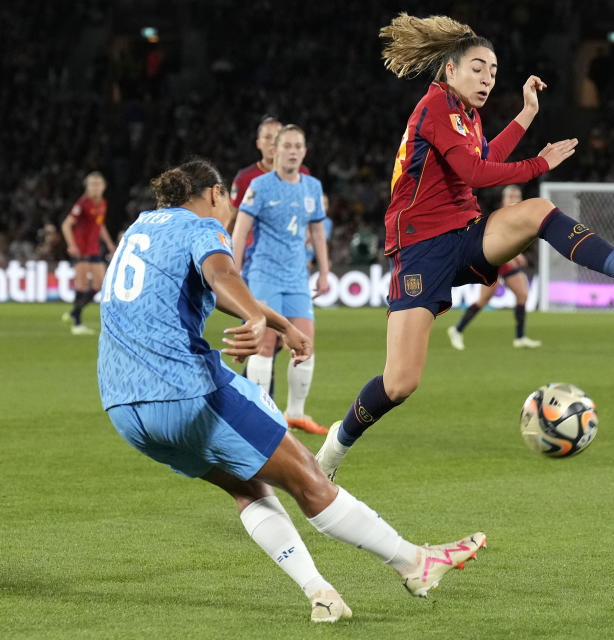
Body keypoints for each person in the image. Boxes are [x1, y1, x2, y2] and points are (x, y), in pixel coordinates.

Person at [97, 159, 485, 624]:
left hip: (123, 407)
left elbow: (207, 287)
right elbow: (222, 276)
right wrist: (257, 319)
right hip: (184, 391)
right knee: (308, 477)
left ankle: (321, 593)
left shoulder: (139, 230)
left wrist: (277, 324)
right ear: (216, 195)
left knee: (248, 486)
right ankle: (413, 563)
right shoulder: (201, 226)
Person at [314, 14, 614, 480]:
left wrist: (527, 114)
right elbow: (475, 174)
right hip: (421, 249)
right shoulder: (434, 108)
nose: (488, 78)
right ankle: (332, 451)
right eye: (478, 68)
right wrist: (539, 163)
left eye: (493, 71)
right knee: (400, 382)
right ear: (450, 70)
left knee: (535, 212)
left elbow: (485, 159)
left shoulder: (465, 116)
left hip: (464, 235)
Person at [232, 125, 330, 436]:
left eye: (297, 146)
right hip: (263, 274)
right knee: (265, 342)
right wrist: (233, 271)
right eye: (286, 145)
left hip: (297, 276)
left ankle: (295, 414)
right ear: (276, 149)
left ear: (304, 151)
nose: (292, 151)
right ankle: (258, 413)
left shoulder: (312, 186)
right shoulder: (259, 186)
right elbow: (240, 231)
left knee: (304, 343)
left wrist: (325, 271)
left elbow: (316, 231)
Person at [229, 116, 312, 400]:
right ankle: (253, 401)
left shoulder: (302, 176)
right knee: (264, 340)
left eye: (278, 137)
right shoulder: (246, 179)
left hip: (288, 268)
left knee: (274, 341)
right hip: (256, 265)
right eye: (267, 138)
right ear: (260, 144)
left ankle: (257, 399)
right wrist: (228, 262)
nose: (274, 144)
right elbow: (233, 222)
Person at [447, 185, 541, 349]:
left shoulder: (520, 217)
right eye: (510, 197)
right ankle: (457, 329)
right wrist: (514, 256)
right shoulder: (498, 217)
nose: (514, 200)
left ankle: (519, 337)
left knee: (522, 294)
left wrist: (518, 254)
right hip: (492, 261)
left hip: (506, 262)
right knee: (484, 299)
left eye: (517, 196)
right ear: (503, 200)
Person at [61, 171, 117, 335]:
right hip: (81, 250)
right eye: (92, 184)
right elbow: (66, 225)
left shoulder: (102, 203)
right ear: (87, 187)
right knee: (82, 284)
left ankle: (74, 313)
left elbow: (100, 225)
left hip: (94, 249)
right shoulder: (83, 203)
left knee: (101, 284)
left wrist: (108, 243)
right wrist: (71, 245)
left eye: (98, 184)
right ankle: (77, 323)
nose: (95, 188)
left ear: (104, 187)